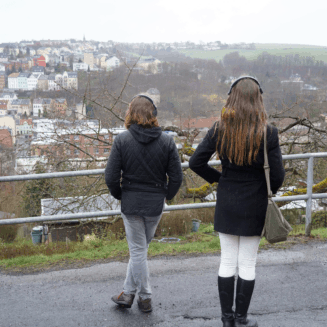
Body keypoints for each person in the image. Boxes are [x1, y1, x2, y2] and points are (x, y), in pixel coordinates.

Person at [189, 77, 285, 327]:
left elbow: (195, 162)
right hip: (255, 203)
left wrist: (221, 180)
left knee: (227, 261)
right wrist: (265, 191)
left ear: (231, 96)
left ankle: (226, 320)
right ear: (258, 98)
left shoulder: (219, 128)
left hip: (228, 201)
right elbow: (278, 176)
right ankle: (241, 319)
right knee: (248, 263)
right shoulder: (269, 131)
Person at [105, 94, 183, 313]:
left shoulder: (122, 140)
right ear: (154, 114)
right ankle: (127, 294)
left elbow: (111, 177)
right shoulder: (167, 141)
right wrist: (167, 196)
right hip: (155, 204)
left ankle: (145, 297)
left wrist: (120, 194)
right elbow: (176, 177)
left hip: (131, 204)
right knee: (140, 249)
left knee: (138, 251)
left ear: (131, 114)